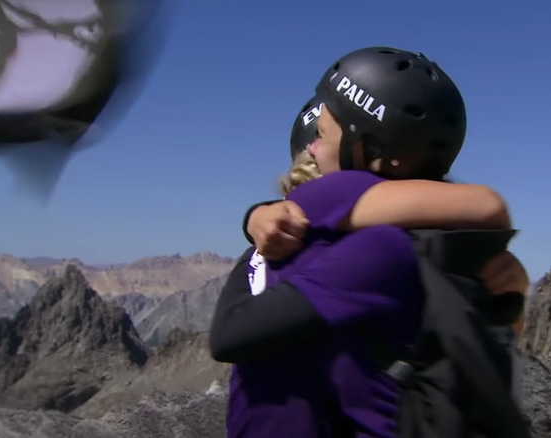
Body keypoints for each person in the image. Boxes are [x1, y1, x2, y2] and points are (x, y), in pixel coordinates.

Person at [209, 47, 526, 438]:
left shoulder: (340, 203)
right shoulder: (436, 243)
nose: (310, 149)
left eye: (321, 136)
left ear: (368, 145)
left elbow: (228, 336)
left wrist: (256, 220)